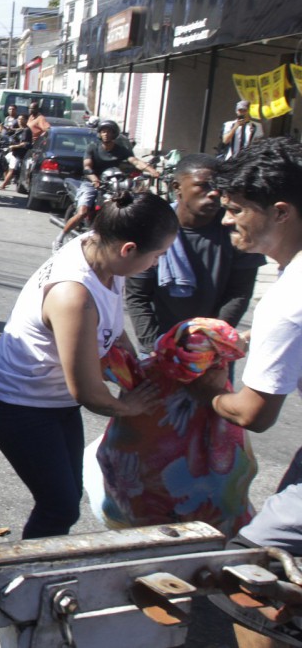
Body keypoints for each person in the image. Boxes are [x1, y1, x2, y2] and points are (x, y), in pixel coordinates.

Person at [0, 192, 174, 539]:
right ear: (128, 248)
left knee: (67, 497)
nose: (157, 264)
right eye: (157, 255)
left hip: (54, 402)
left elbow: (111, 327)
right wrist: (130, 407)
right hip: (19, 404)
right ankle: (29, 580)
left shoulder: (100, 247)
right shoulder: (74, 295)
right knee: (60, 506)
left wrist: (135, 359)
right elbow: (88, 393)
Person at [189, 138, 302, 648]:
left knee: (246, 572)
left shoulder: (288, 297)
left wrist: (206, 387)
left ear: (280, 212)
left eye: (237, 210)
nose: (227, 219)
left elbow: (254, 412)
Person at [125, 153, 261, 356]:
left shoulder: (238, 231)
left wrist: (210, 339)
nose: (214, 193)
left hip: (212, 347)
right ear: (177, 188)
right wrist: (155, 347)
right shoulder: (152, 229)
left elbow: (239, 293)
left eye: (219, 186)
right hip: (159, 346)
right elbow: (138, 297)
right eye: (204, 185)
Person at [57, 119, 161, 249]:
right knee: (83, 212)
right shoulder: (92, 148)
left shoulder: (121, 150)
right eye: (103, 131)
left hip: (113, 184)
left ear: (114, 134)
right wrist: (94, 179)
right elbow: (87, 166)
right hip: (91, 183)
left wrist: (153, 171)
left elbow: (136, 162)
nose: (106, 134)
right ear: (99, 134)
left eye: (109, 131)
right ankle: (60, 238)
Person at [0, 113, 31, 191]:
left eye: (22, 119)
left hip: (20, 153)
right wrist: (4, 128)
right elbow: (13, 130)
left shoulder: (26, 130)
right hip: (14, 152)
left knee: (12, 168)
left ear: (26, 120)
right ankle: (7, 180)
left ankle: (3, 185)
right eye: (19, 119)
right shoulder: (20, 128)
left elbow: (23, 144)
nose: (20, 121)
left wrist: (13, 146)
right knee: (3, 161)